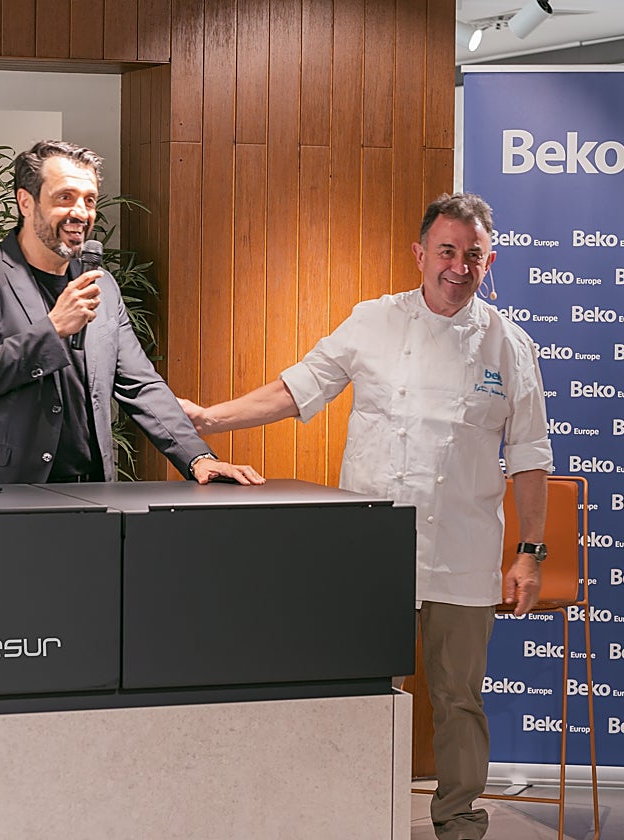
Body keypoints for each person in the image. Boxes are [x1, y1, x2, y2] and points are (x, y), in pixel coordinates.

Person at [179, 193, 552, 840]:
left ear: (489, 262)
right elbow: (297, 388)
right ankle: (357, 818)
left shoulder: (510, 345)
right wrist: (211, 419)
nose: (458, 267)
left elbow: (529, 456)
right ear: (419, 254)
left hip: (463, 553)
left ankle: (459, 822)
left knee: (460, 700)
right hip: (375, 550)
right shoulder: (373, 321)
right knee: (366, 696)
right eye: (446, 251)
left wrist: (530, 553)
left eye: (473, 255)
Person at [0, 140, 263, 487]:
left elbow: (141, 384)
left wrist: (198, 457)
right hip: (5, 489)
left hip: (92, 488)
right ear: (26, 202)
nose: (81, 212)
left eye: (89, 200)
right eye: (65, 197)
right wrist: (52, 330)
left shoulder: (102, 285)